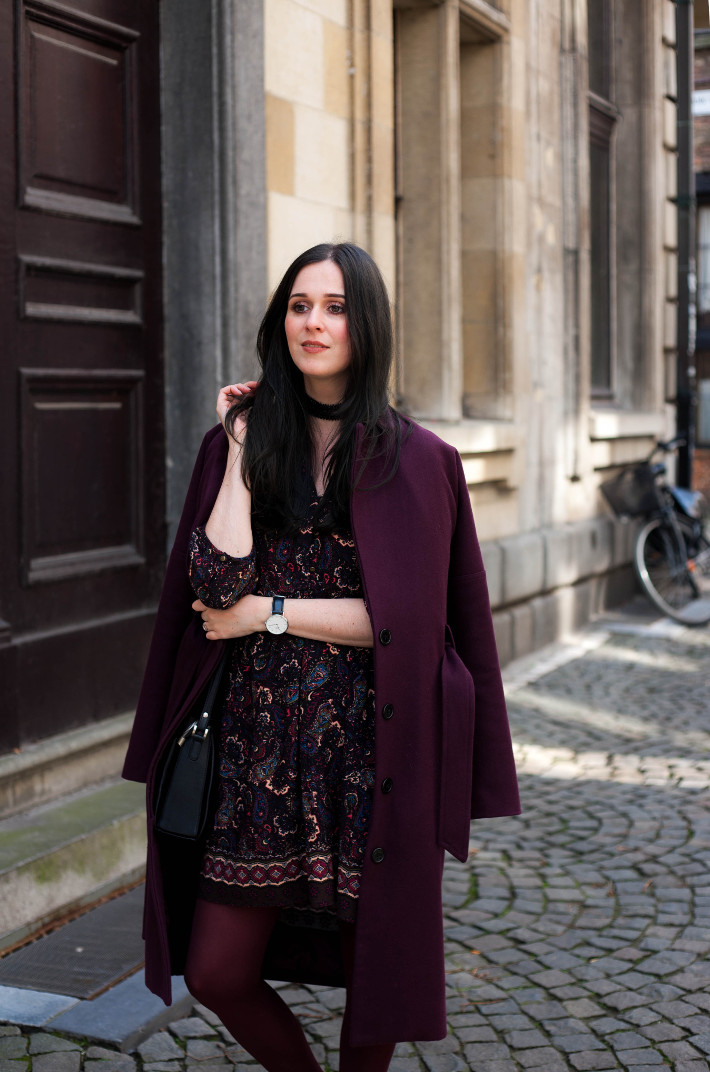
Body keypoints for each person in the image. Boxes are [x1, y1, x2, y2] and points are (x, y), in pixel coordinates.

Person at [122, 242, 520, 1071]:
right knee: (220, 969)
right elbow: (215, 583)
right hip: (254, 752)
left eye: (335, 306)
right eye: (300, 305)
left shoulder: (421, 462)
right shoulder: (234, 444)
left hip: (372, 753)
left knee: (370, 975)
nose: (314, 322)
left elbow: (403, 625)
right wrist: (236, 448)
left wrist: (270, 613)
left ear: (364, 323)